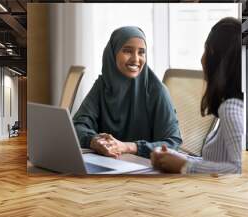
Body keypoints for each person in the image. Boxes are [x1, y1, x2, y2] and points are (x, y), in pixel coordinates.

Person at [151, 17, 243, 174]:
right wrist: (177, 158)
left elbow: (239, 169)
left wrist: (185, 166)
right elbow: (215, 162)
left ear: (215, 54)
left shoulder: (231, 108)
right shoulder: (231, 105)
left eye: (206, 49)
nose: (202, 58)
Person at [73, 26, 182, 159]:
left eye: (141, 52)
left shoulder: (157, 91)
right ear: (113, 54)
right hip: (109, 162)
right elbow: (78, 125)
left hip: (144, 167)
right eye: (128, 51)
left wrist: (127, 147)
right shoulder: (103, 85)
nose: (136, 59)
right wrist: (94, 141)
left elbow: (173, 143)